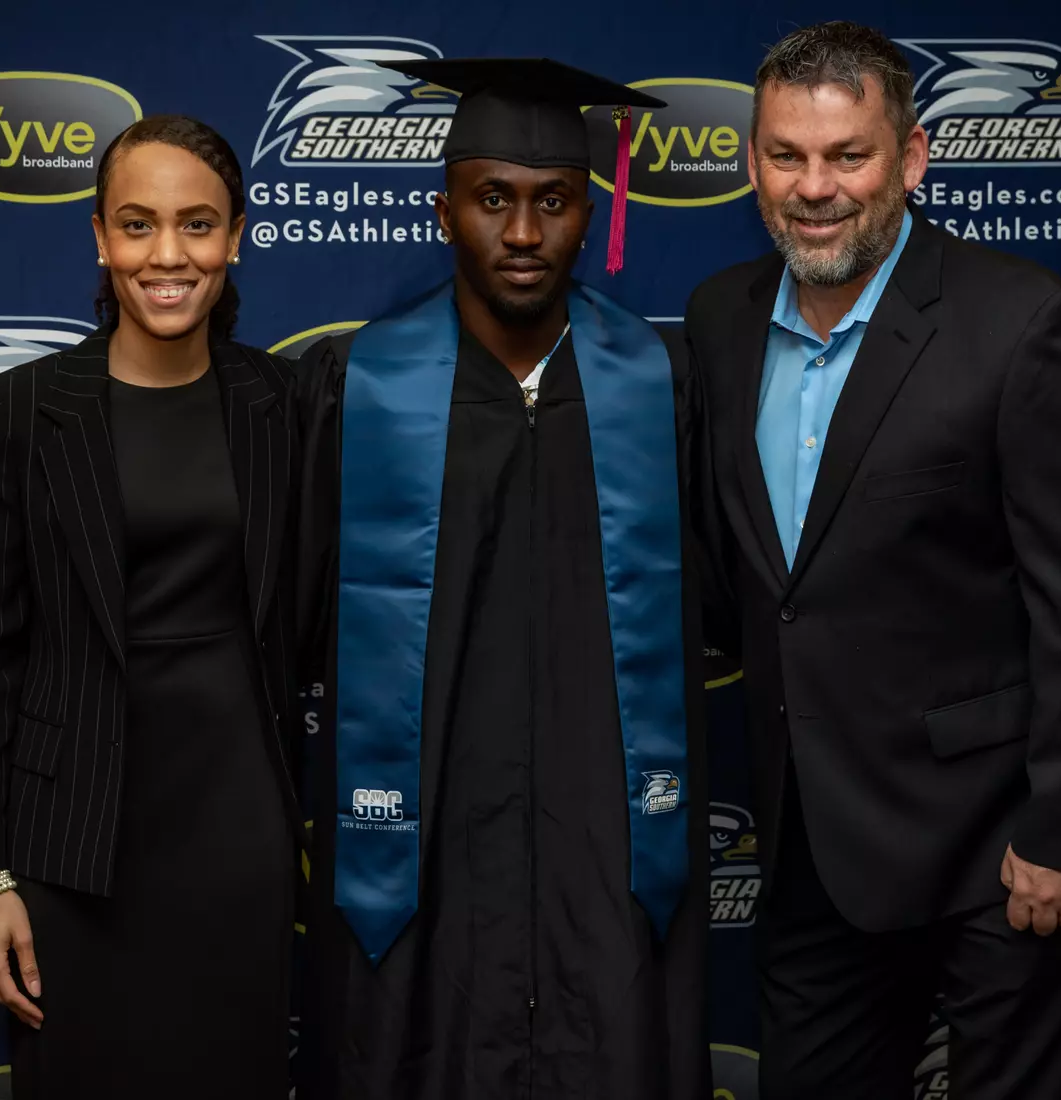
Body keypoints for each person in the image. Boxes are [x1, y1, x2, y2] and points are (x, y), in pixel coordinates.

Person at [683, 22, 1061, 1100]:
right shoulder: (718, 321)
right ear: (751, 159)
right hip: (812, 844)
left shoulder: (1025, 325)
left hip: (1003, 850)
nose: (815, 188)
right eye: (785, 155)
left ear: (911, 159)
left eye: (847, 155)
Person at [292, 58, 711, 1100]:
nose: (523, 234)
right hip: (422, 860)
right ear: (443, 212)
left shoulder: (661, 385)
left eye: (554, 202)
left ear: (590, 211)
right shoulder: (358, 385)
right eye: (492, 200)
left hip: (604, 856)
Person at [0, 114, 302, 1097]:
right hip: (72, 842)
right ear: (100, 237)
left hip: (240, 830)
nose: (167, 254)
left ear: (234, 236)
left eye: (196, 224)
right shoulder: (15, 410)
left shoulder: (291, 403)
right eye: (138, 225)